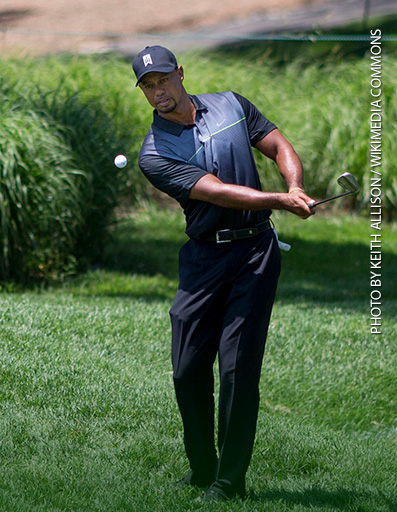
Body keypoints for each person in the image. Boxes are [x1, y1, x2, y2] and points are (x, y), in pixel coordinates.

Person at [132, 46, 314, 502]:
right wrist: (279, 201)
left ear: (179, 74)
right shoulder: (153, 153)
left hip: (254, 254)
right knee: (187, 367)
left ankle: (229, 481)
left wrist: (295, 186)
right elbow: (214, 192)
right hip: (204, 258)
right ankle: (202, 468)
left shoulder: (232, 104)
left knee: (237, 369)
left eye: (162, 80)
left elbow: (277, 143)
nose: (158, 92)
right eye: (148, 86)